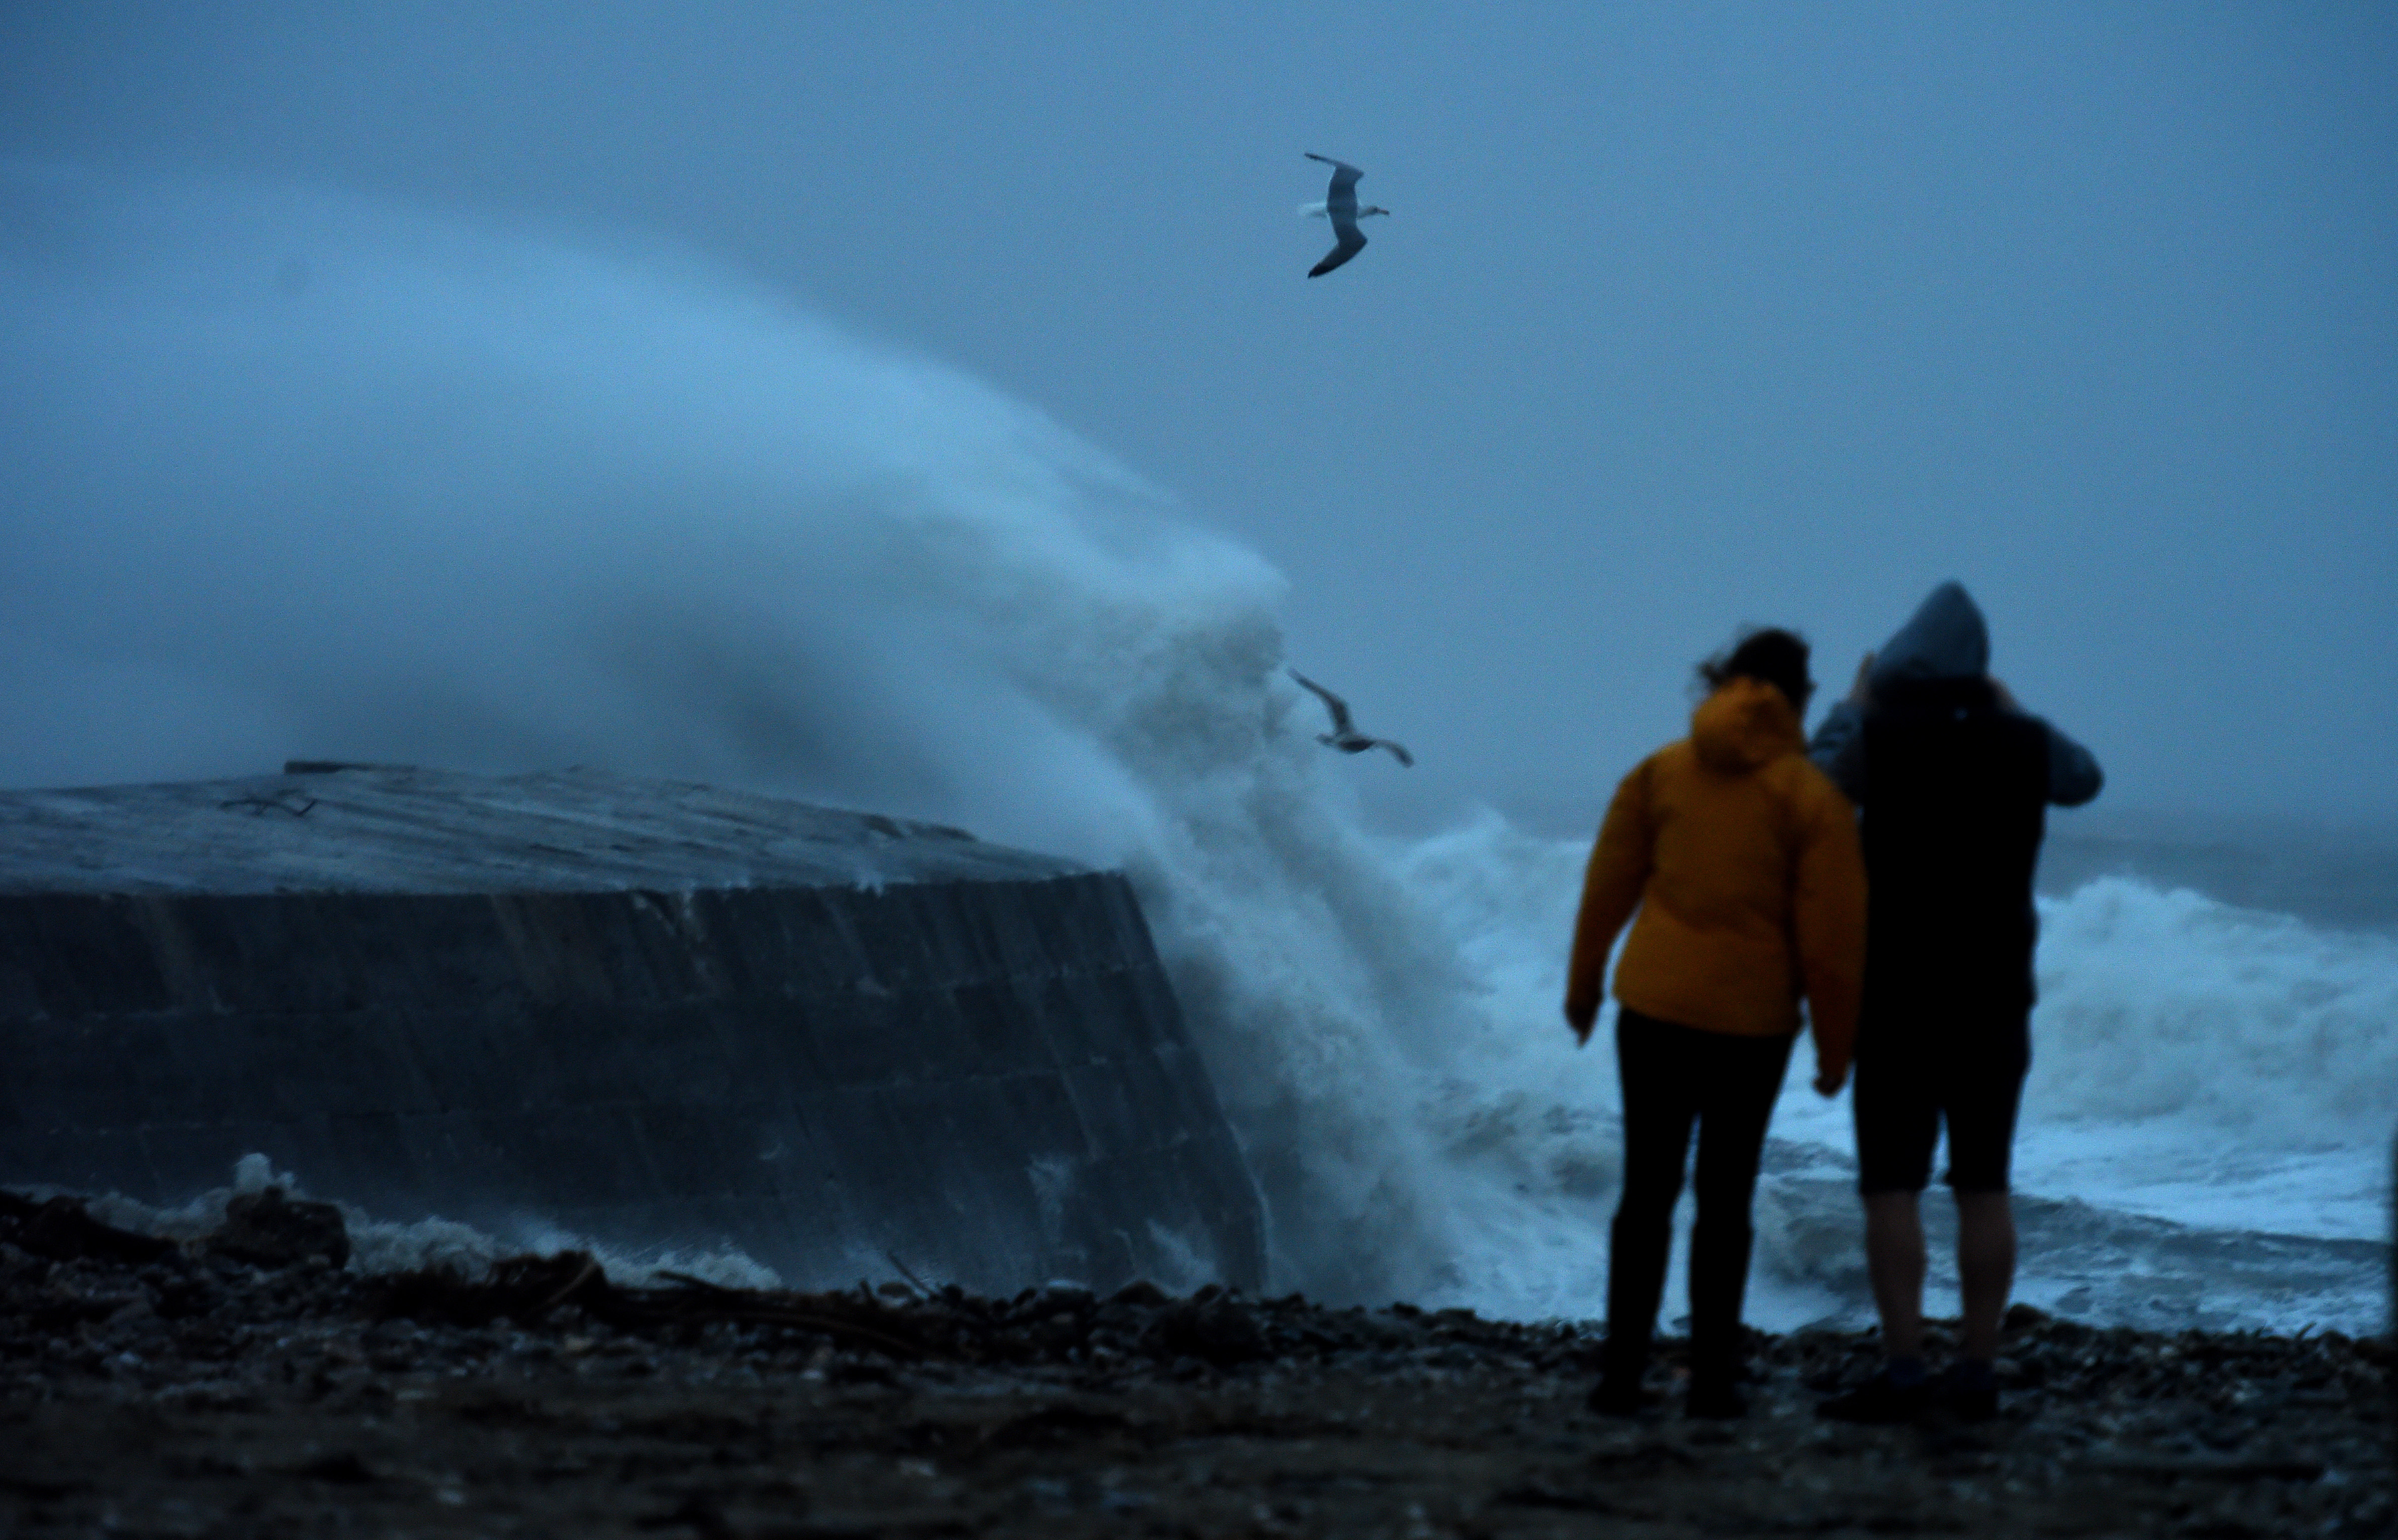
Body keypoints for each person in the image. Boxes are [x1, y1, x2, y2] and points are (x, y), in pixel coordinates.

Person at [1808, 582, 2102, 1423]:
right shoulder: (2022, 743)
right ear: (1980, 670)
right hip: (1994, 994)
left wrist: (1851, 703)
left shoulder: (1877, 735)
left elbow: (1812, 787)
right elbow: (2084, 779)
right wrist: (2011, 707)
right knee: (1984, 1184)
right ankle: (1976, 1368)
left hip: (1897, 990)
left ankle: (1903, 1368)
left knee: (1889, 1186)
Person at [1566, 627, 1866, 1418]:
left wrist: (1582, 986)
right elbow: (1832, 941)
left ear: (1721, 680)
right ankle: (1709, 1382)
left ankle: (1620, 1376)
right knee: (1724, 1200)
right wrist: (1837, 1050)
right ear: (1800, 696)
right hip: (1750, 1027)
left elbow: (1607, 886)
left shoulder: (1661, 771)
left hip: (1653, 1010)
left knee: (1645, 1192)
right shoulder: (1809, 797)